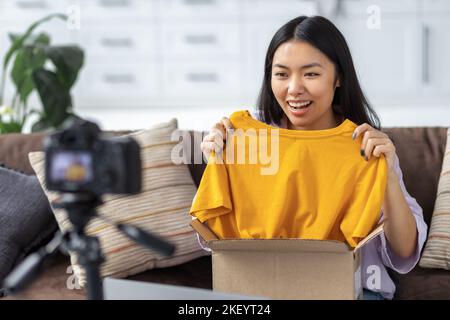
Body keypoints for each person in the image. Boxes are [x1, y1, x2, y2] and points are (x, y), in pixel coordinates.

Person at [199, 16, 427, 300]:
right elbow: (218, 238)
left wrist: (389, 176)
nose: (294, 88)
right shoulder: (248, 139)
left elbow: (404, 252)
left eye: (311, 74)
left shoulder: (364, 146)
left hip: (353, 291)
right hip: (263, 290)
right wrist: (219, 169)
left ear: (339, 77)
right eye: (281, 74)